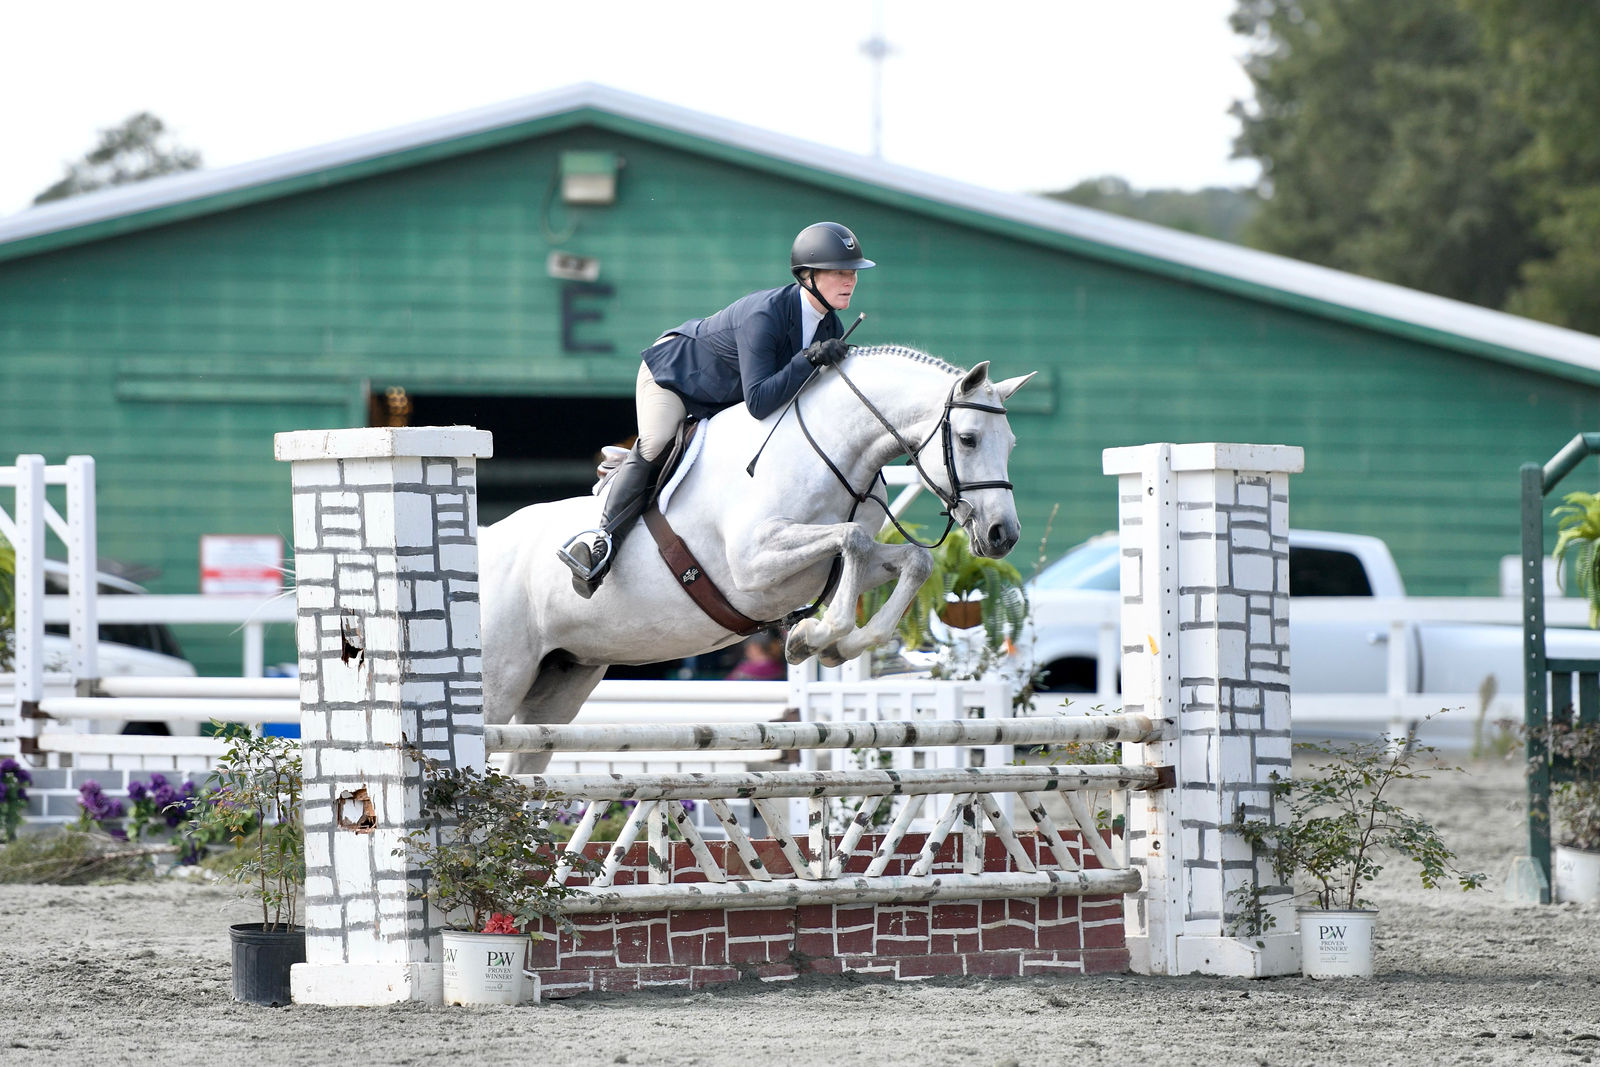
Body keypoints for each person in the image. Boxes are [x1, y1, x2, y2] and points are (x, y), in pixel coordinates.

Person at [558, 221, 876, 597]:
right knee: (658, 442)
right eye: (840, 272)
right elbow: (759, 402)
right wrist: (808, 360)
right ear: (807, 276)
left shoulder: (830, 325)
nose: (850, 281)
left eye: (853, 273)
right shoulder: (766, 314)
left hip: (724, 399)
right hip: (676, 378)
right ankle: (600, 543)